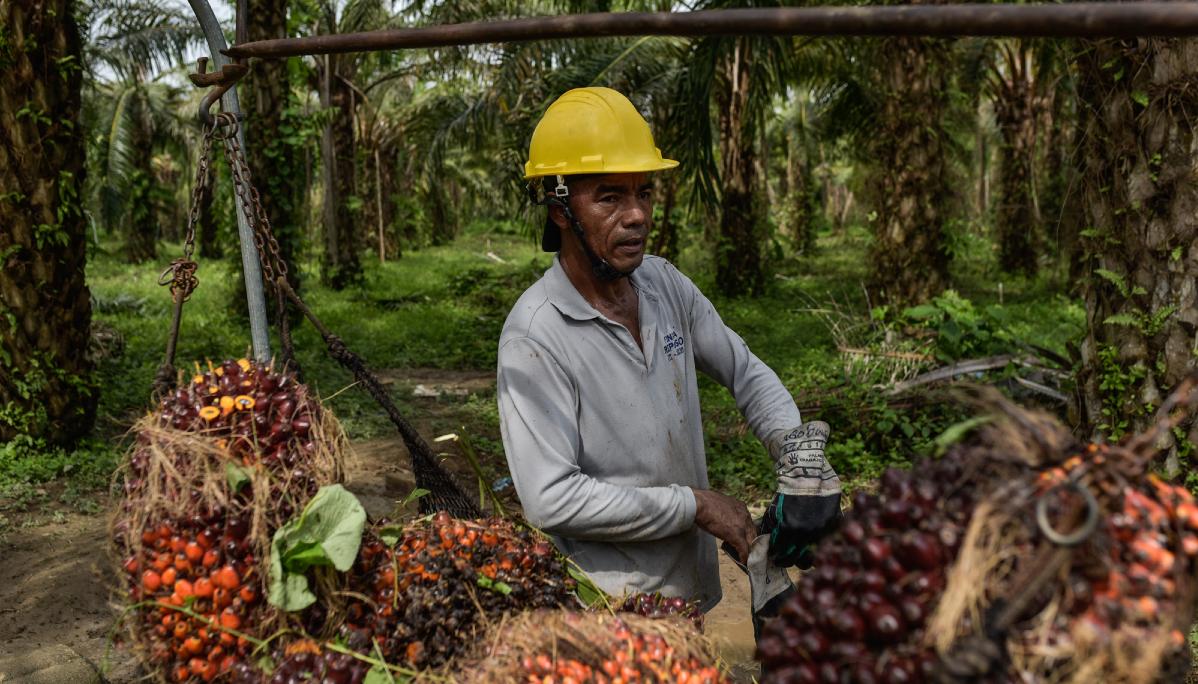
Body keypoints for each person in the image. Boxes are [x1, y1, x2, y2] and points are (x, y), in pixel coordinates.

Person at [496, 87, 842, 612]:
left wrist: (798, 456)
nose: (637, 215)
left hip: (689, 594)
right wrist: (695, 506)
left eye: (645, 192)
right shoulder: (535, 336)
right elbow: (552, 499)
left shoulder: (664, 285)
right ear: (560, 209)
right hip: (608, 609)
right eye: (610, 197)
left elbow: (744, 372)